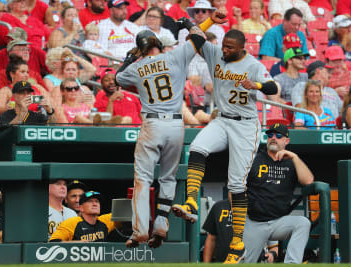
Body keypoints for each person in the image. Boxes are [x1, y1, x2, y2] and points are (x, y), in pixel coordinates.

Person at [171, 28, 278, 263]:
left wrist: (257, 86)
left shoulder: (253, 65)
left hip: (246, 126)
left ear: (242, 48)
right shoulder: (216, 53)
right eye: (224, 45)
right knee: (197, 148)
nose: (225, 49)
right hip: (221, 119)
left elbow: (274, 88)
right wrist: (201, 22)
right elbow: (196, 38)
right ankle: (191, 200)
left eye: (230, 47)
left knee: (236, 184)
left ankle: (237, 241)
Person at [115, 13, 218, 247]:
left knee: (143, 178)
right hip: (175, 123)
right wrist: (189, 24)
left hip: (152, 124)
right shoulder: (175, 55)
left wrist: (131, 58)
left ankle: (140, 230)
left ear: (140, 50)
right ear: (158, 44)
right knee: (168, 177)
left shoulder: (138, 65)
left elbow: (118, 78)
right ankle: (161, 225)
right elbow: (200, 38)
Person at [244, 123, 314, 263]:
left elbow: (309, 181)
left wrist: (294, 157)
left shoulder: (292, 162)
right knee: (245, 262)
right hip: (254, 222)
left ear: (286, 141)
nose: (273, 138)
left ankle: (291, 264)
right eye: (270, 135)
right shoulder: (254, 158)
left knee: (303, 223)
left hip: (278, 222)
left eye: (278, 135)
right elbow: (236, 186)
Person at [203, 198, 278, 263]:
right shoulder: (218, 207)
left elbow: (274, 247)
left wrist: (272, 254)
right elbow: (211, 239)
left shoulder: (261, 207)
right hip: (224, 262)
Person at [49, 191, 115, 242]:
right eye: (90, 201)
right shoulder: (71, 223)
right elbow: (53, 242)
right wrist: (78, 243)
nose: (95, 204)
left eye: (97, 201)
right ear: (81, 208)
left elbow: (123, 213)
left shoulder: (105, 220)